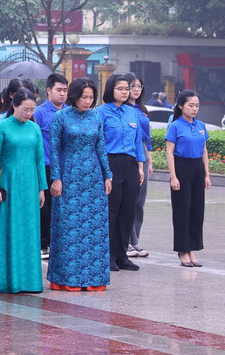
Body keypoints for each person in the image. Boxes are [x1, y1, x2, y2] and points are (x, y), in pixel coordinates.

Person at [47, 77, 112, 291]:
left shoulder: (96, 117)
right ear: (74, 96)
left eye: (91, 97)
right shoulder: (61, 117)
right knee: (68, 227)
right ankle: (67, 279)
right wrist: (56, 178)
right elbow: (54, 150)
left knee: (95, 228)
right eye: (84, 97)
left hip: (93, 178)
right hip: (69, 177)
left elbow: (101, 147)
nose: (88, 101)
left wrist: (107, 175)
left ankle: (94, 280)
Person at [0, 88, 47, 293]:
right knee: (9, 227)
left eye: (32, 109)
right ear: (14, 105)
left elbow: (40, 159)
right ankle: (6, 278)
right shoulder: (2, 127)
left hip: (30, 184)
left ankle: (30, 281)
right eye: (25, 109)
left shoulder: (34, 128)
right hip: (9, 183)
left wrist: (42, 188)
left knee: (30, 229)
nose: (28, 113)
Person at [97, 73, 146, 273]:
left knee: (128, 210)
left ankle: (122, 255)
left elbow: (138, 142)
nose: (125, 92)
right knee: (112, 210)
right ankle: (108, 255)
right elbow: (99, 142)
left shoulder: (131, 112)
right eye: (121, 88)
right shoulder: (101, 112)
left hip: (131, 164)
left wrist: (141, 168)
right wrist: (105, 170)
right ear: (111, 90)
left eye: (127, 88)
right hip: (111, 162)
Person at [165, 90, 211, 267]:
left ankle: (192, 248)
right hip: (181, 167)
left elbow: (204, 150)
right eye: (191, 105)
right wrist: (173, 177)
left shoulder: (201, 125)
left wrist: (207, 174)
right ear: (181, 105)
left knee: (196, 210)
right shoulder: (175, 126)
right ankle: (183, 250)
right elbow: (169, 152)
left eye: (197, 105)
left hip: (197, 168)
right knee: (182, 210)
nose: (194, 109)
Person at [34, 73, 68, 259]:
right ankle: (43, 243)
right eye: (58, 90)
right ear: (48, 90)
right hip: (46, 165)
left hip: (66, 166)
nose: (62, 94)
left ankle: (60, 242)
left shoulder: (70, 112)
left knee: (63, 206)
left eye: (65, 90)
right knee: (45, 205)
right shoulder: (39, 113)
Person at [126, 73, 152, 259]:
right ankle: (126, 241)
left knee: (139, 201)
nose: (136, 90)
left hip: (143, 153)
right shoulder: (124, 109)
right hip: (129, 152)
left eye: (139, 86)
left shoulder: (142, 109)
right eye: (132, 86)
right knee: (129, 198)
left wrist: (149, 159)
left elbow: (147, 137)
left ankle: (135, 240)